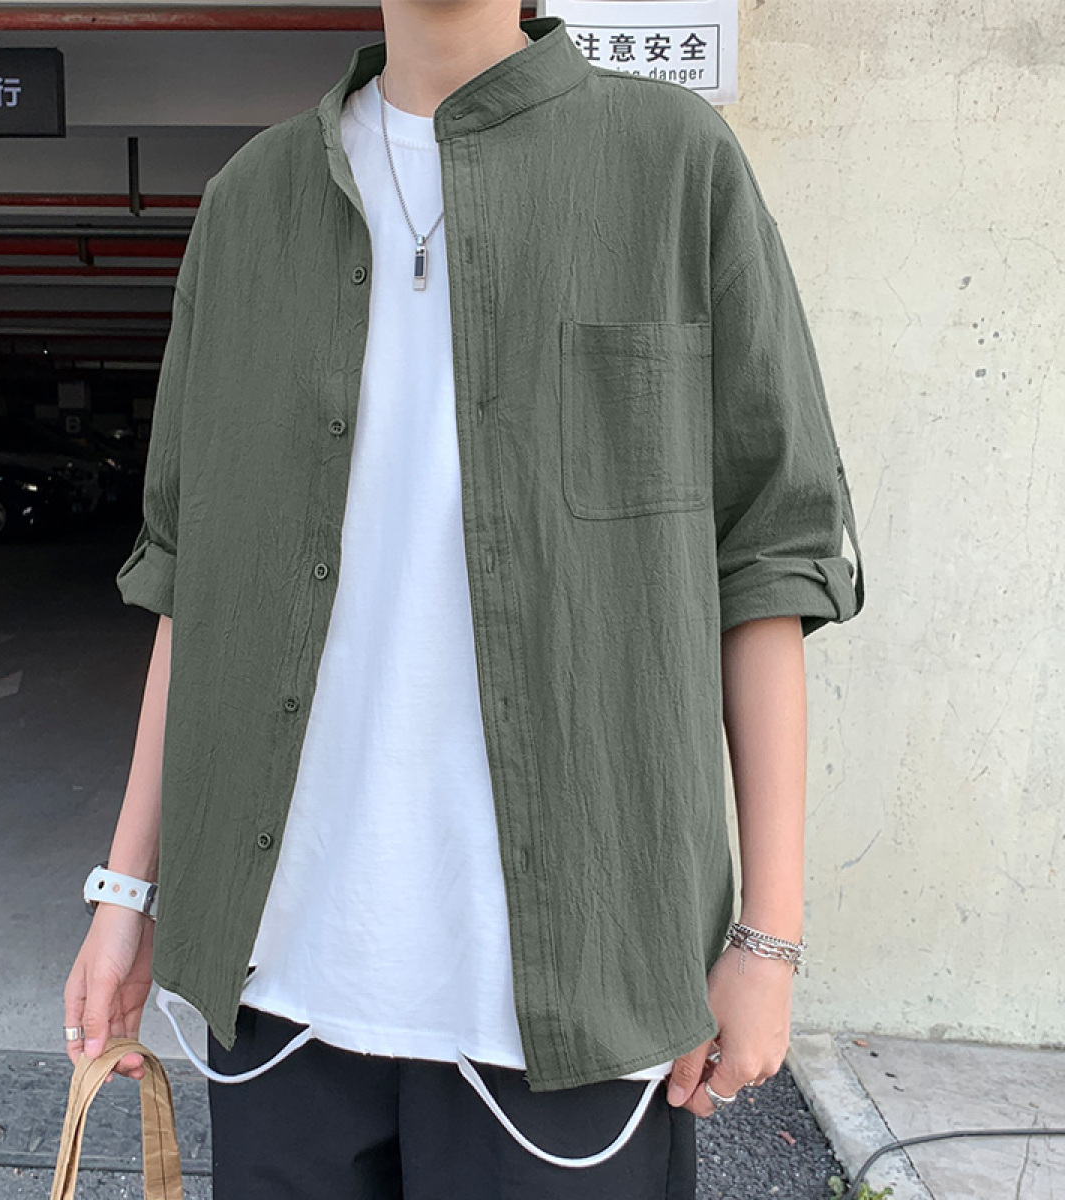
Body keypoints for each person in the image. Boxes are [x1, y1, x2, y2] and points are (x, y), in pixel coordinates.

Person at [65, 3, 866, 1196]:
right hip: (279, 976)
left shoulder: (669, 166)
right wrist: (127, 894)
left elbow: (767, 561)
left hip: (578, 985)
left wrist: (768, 940)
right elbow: (192, 577)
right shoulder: (249, 205)